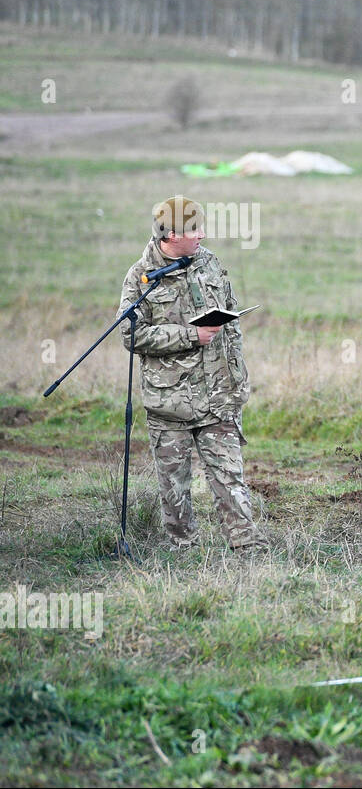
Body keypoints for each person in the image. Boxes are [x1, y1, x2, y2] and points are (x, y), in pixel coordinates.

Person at [119, 195, 266, 552]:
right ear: (169, 234)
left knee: (230, 477)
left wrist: (236, 376)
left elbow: (229, 319)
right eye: (194, 229)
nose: (202, 234)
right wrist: (189, 335)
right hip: (171, 403)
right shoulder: (140, 278)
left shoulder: (210, 264)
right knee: (175, 486)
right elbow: (130, 334)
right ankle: (184, 550)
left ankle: (248, 546)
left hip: (219, 396)